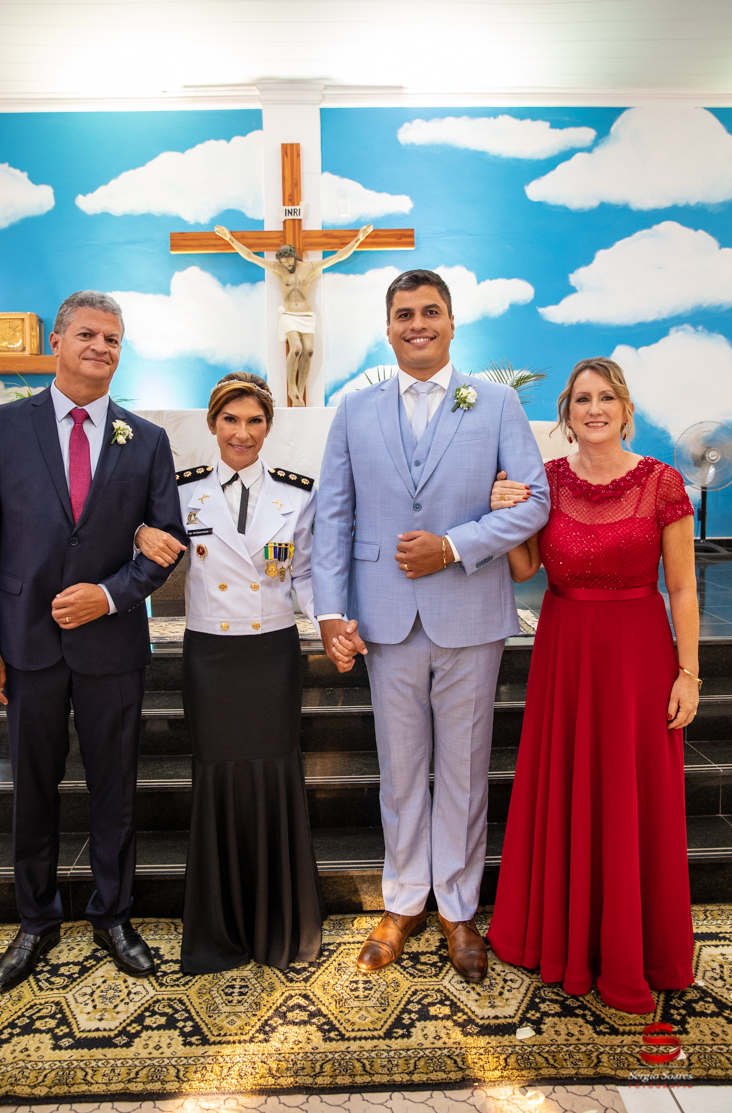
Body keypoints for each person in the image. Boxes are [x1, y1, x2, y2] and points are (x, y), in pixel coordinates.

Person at [312, 270, 550, 979]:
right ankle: (403, 899)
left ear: (451, 323)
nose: (418, 323)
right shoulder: (355, 408)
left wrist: (452, 546)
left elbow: (534, 502)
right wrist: (330, 610)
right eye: (405, 314)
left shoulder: (496, 402)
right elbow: (334, 513)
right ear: (388, 328)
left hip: (470, 612)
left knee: (466, 769)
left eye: (431, 311)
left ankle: (458, 907)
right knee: (400, 769)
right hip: (385, 616)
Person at [0, 291, 187, 993]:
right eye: (87, 334)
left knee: (115, 789)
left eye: (112, 339)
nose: (100, 347)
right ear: (56, 342)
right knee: (33, 788)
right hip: (25, 644)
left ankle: (113, 914)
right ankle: (36, 919)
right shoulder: (4, 426)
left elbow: (166, 542)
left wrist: (110, 595)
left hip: (111, 645)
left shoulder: (146, 439)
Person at [487, 357, 699, 1015]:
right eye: (582, 399)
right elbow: (526, 567)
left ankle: (639, 948)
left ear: (626, 409)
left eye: (606, 397)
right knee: (568, 785)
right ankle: (565, 937)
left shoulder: (662, 482)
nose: (595, 408)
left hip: (639, 657)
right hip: (566, 652)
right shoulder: (546, 481)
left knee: (634, 794)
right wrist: (504, 515)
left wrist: (689, 672)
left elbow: (683, 587)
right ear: (568, 413)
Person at [135, 372, 325, 973]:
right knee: (216, 776)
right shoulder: (183, 491)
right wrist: (138, 532)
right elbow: (147, 547)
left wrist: (332, 622)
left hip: (272, 653)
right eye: (231, 420)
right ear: (213, 425)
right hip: (211, 655)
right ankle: (220, 927)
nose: (243, 433)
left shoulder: (297, 493)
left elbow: (306, 574)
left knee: (274, 772)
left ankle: (278, 924)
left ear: (269, 426)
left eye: (255, 421)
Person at [214, 223, 373, 406]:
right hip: (289, 314)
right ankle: (292, 388)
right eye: (283, 261)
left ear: (295, 257)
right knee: (296, 349)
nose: (286, 264)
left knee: (309, 351)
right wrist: (230, 238)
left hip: (307, 315)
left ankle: (300, 390)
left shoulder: (310, 268)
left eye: (289, 260)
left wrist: (359, 238)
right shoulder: (278, 268)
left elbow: (338, 256)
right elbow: (250, 256)